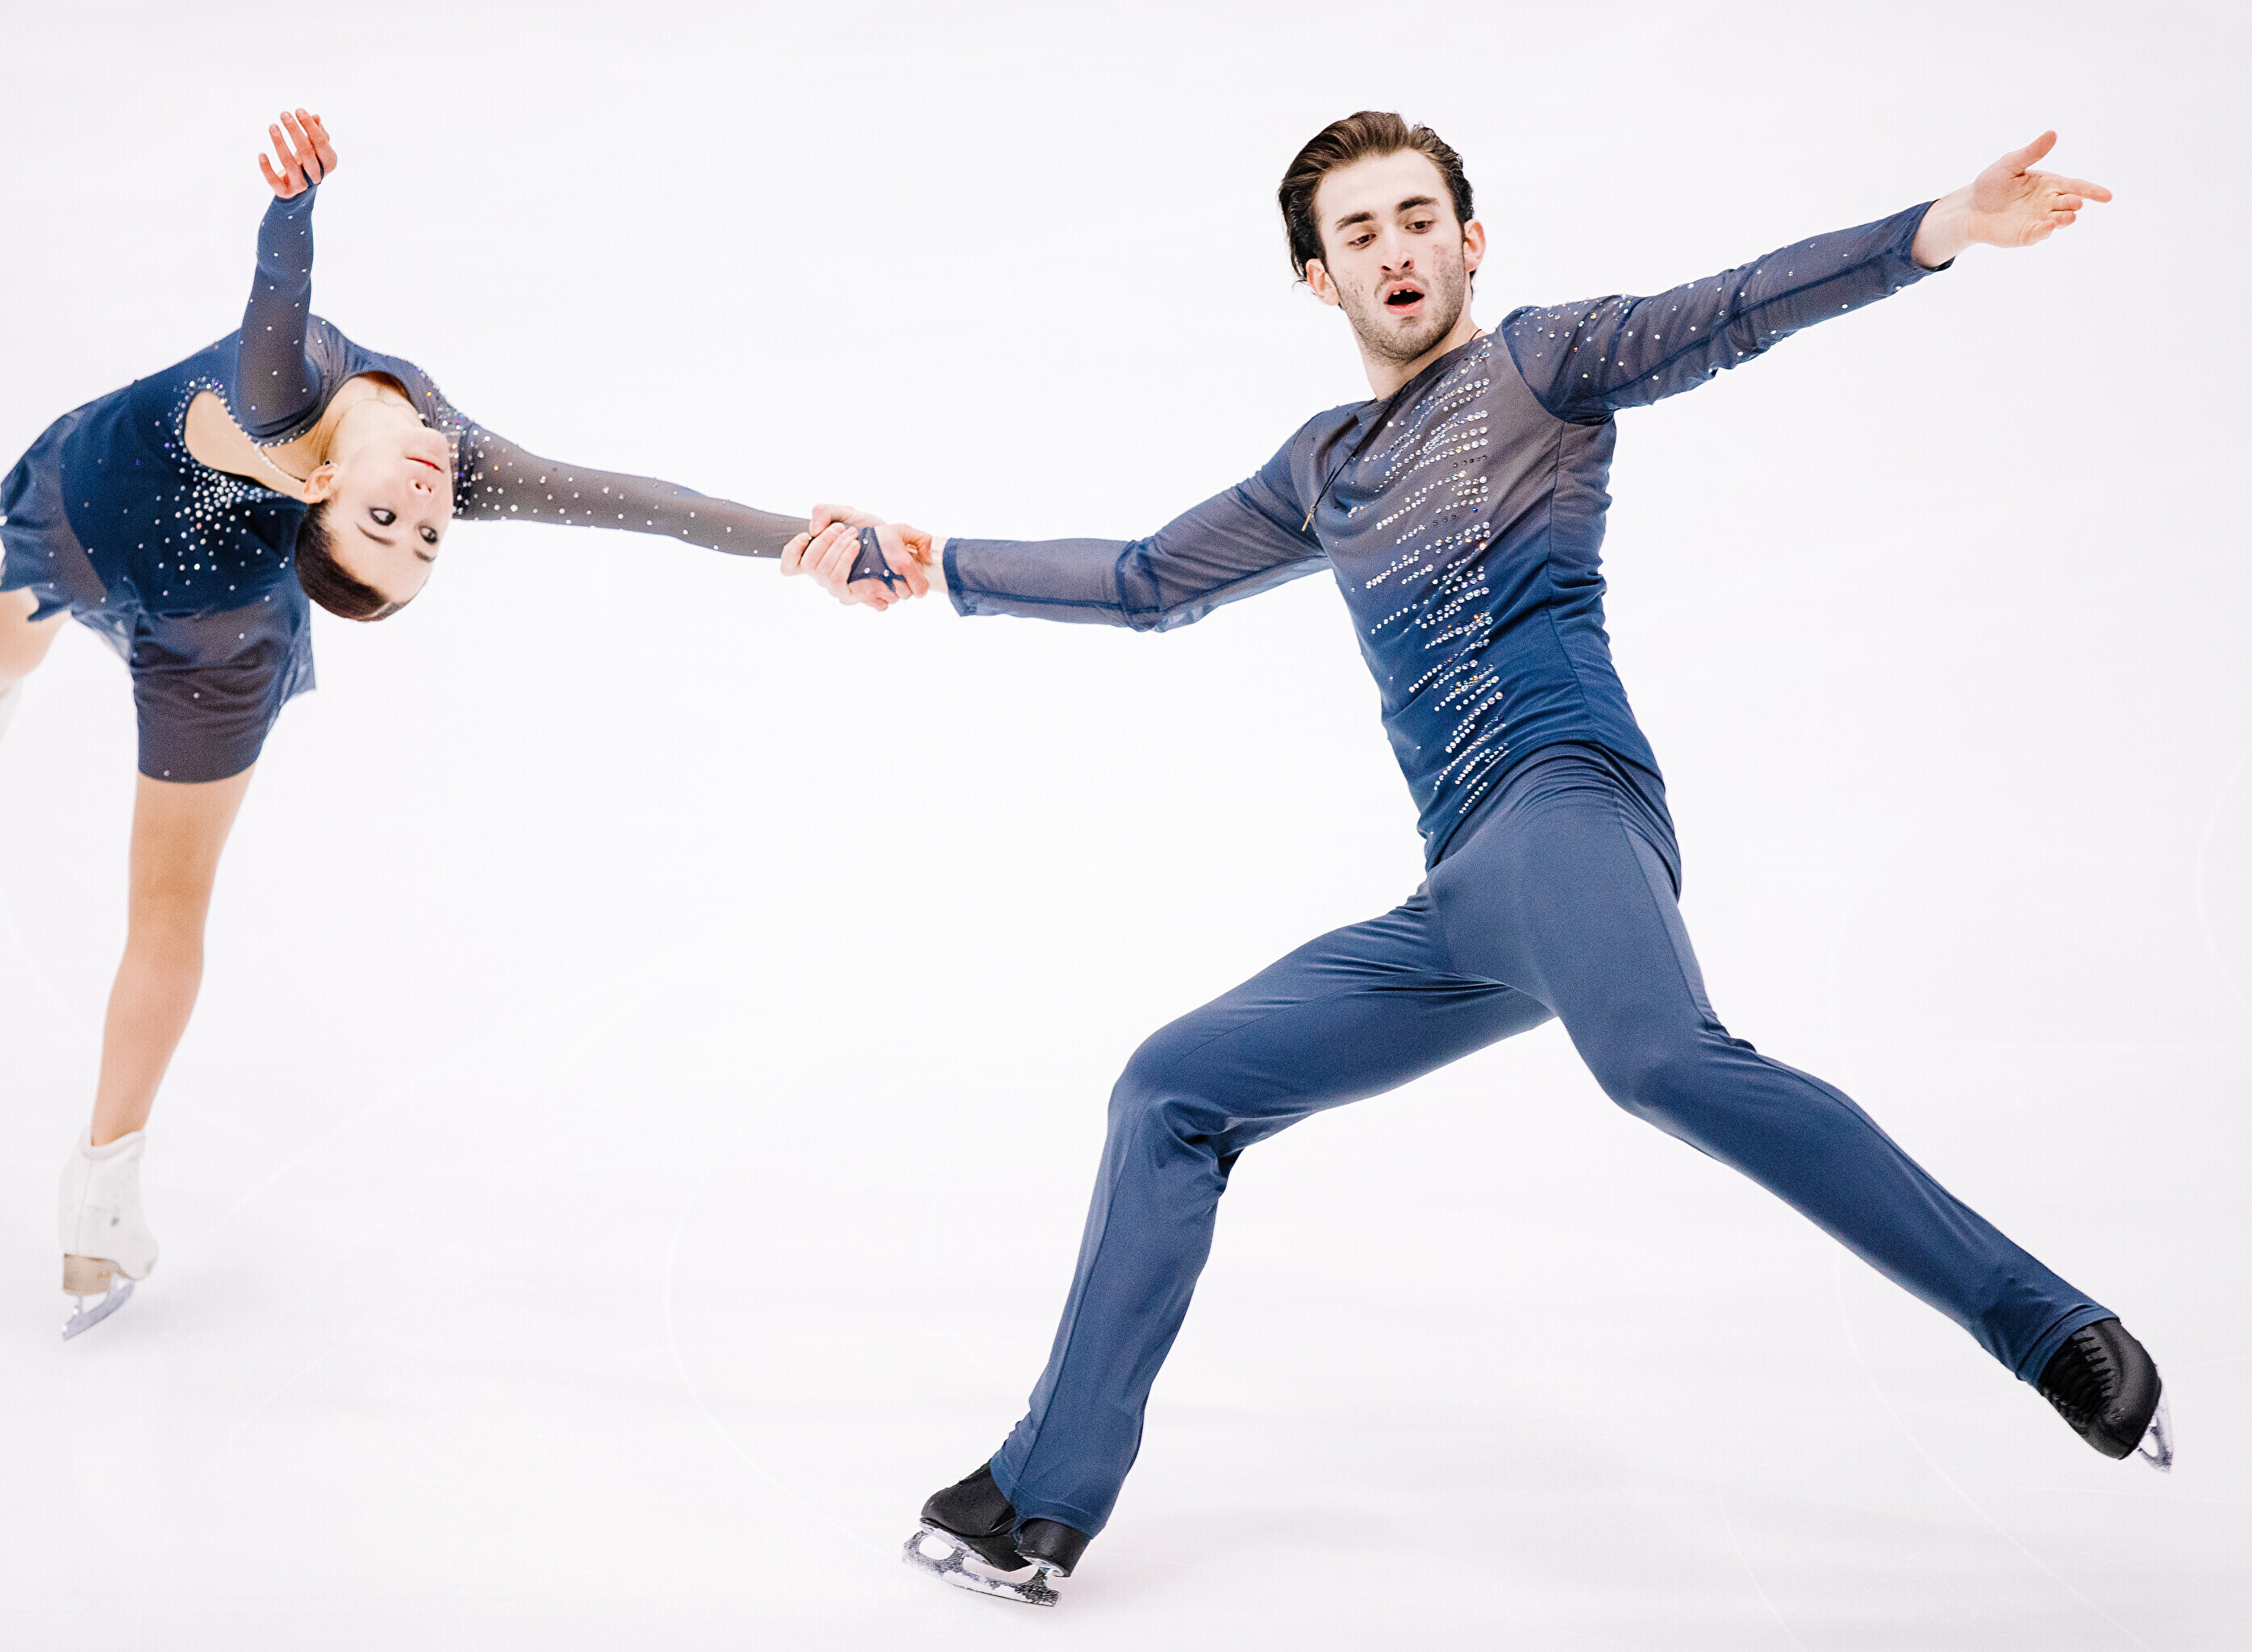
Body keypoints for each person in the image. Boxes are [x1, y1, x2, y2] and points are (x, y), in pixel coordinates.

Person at [787, 114, 2167, 1607]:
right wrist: (933, 566)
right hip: (1460, 900)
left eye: (1417, 217)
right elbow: (1143, 582)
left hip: (1569, 804)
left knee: (1659, 1061)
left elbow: (1734, 308)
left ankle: (2052, 1330)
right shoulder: (1323, 468)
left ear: (1470, 240)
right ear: (1321, 280)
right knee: (1172, 1090)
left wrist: (1938, 229)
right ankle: (1038, 1500)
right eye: (1360, 232)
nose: (1396, 249)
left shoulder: (1540, 365)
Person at [0, 110, 844, 1337]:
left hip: (220, 631)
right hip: (103, 521)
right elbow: (632, 500)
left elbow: (283, 297)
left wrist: (295, 202)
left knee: (168, 907)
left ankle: (101, 1196)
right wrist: (794, 536)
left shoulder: (289, 403)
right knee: (2, 642)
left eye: (395, 531)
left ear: (321, 498)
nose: (423, 512)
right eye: (421, 536)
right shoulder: (434, 452)